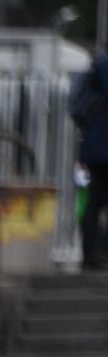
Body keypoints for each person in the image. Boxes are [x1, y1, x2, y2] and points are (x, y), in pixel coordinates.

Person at [69, 49, 108, 271]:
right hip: (103, 149)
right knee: (96, 200)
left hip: (95, 148)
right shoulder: (105, 67)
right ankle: (95, 251)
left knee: (96, 199)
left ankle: (92, 252)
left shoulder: (98, 67)